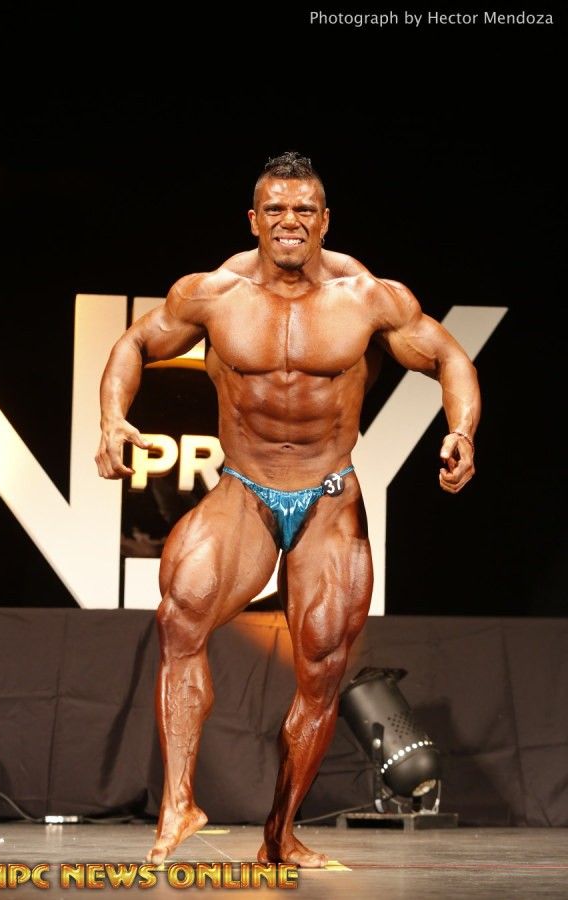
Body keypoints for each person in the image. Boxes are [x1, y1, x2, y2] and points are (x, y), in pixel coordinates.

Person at [95, 151, 480, 867]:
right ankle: (178, 804)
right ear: (254, 219)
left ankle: (279, 834)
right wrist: (113, 417)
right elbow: (137, 341)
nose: (289, 221)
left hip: (329, 497)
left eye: (304, 209)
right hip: (245, 489)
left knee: (321, 668)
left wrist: (461, 430)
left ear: (325, 219)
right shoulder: (214, 294)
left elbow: (450, 358)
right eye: (275, 209)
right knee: (180, 617)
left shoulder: (369, 298)